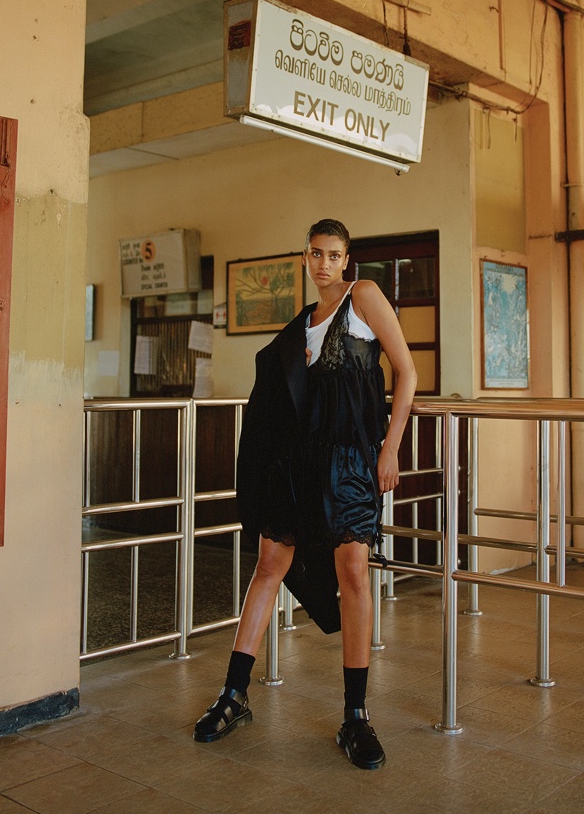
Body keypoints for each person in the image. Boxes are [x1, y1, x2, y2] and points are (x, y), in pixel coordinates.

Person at [193, 218, 417, 770]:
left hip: (352, 461)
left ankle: (356, 716)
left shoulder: (363, 298)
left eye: (333, 254)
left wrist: (391, 449)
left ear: (347, 259)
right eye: (315, 254)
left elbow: (406, 373)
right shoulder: (304, 323)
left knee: (354, 572)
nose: (323, 263)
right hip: (298, 466)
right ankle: (234, 694)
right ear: (305, 257)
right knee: (269, 562)